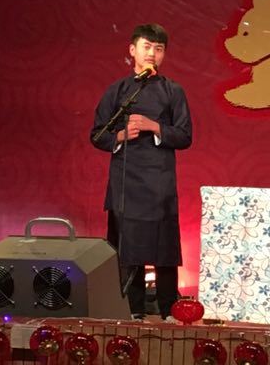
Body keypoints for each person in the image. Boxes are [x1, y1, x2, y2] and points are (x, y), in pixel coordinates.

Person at [90, 23, 192, 320]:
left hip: (159, 182)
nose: (152, 54)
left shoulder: (173, 91)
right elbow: (97, 135)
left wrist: (154, 127)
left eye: (158, 49)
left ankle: (168, 309)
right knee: (127, 249)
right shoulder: (119, 91)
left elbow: (185, 135)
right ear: (132, 50)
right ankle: (131, 310)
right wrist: (121, 135)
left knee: (164, 250)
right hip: (126, 183)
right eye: (146, 47)